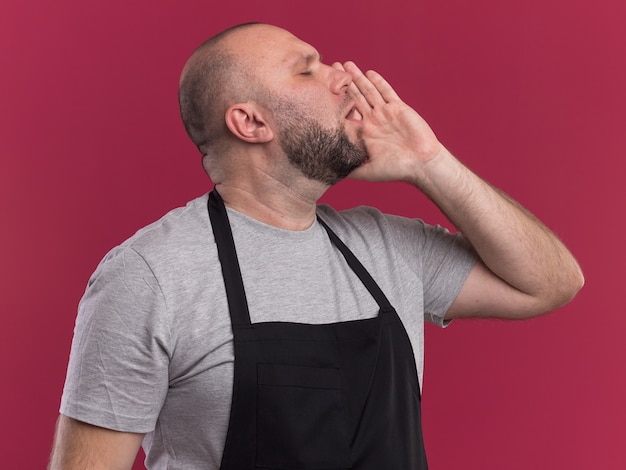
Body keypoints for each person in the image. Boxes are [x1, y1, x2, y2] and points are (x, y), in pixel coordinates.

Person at [48, 22, 584, 470]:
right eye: (308, 68)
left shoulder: (385, 246)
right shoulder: (150, 275)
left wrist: (429, 163)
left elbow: (551, 283)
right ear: (251, 122)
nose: (344, 76)